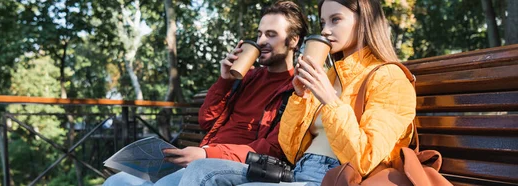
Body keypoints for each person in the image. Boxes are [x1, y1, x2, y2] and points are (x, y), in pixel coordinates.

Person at [178, 0, 417, 185]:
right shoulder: (332, 75)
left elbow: (365, 157)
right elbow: (291, 149)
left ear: (364, 20)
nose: (325, 31)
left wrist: (330, 100)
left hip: (333, 178)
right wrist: (299, 99)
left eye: (335, 20)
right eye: (323, 23)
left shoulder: (390, 77)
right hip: (296, 171)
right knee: (201, 171)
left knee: (205, 173)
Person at [102, 1, 309, 185]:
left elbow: (272, 148)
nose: (261, 40)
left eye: (271, 35)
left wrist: (207, 153)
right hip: (207, 158)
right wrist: (225, 81)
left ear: (293, 41)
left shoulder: (297, 89)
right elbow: (207, 121)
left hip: (244, 166)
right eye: (259, 34)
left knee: (183, 176)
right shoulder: (247, 78)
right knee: (117, 180)